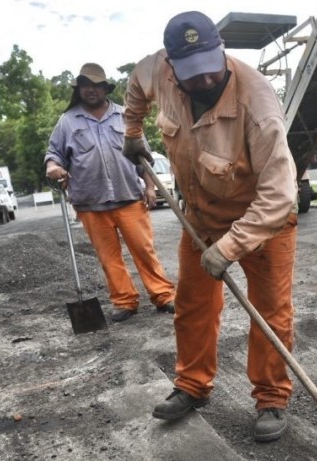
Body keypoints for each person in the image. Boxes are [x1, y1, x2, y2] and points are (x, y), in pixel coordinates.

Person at [122, 11, 299, 442]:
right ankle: (192, 385)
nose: (204, 81)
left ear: (222, 50)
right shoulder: (155, 71)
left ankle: (272, 397)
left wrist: (228, 248)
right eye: (192, 74)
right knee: (192, 306)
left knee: (270, 315)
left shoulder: (258, 107)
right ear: (171, 67)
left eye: (210, 69)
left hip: (262, 224)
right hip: (200, 219)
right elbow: (134, 85)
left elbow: (279, 196)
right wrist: (132, 130)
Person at [44, 63, 176, 323]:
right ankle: (125, 301)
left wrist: (149, 187)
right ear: (79, 89)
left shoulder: (124, 116)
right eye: (85, 85)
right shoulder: (67, 122)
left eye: (95, 85)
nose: (90, 90)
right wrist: (53, 168)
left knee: (144, 250)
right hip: (90, 202)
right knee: (109, 258)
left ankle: (162, 295)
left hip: (128, 197)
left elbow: (143, 155)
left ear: (105, 88)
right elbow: (53, 155)